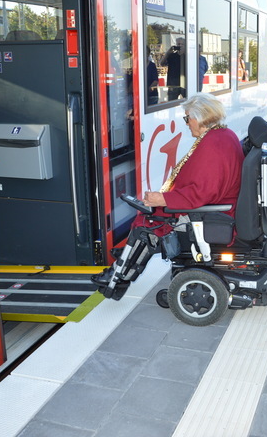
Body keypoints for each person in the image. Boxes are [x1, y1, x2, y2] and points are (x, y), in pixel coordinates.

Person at [91, 93, 244, 299]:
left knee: (150, 221)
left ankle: (122, 272)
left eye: (187, 118)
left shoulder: (213, 144)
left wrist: (162, 199)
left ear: (200, 118)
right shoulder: (223, 135)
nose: (187, 123)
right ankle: (128, 258)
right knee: (150, 213)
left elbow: (203, 192)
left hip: (213, 211)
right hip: (219, 204)